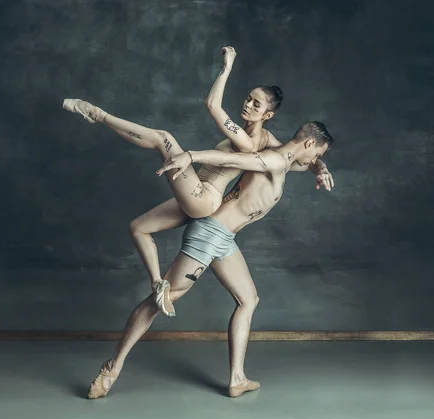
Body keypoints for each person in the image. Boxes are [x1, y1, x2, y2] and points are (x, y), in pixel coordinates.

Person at [86, 120, 334, 400]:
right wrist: (191, 156)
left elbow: (306, 164)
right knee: (160, 300)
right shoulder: (273, 159)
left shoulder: (284, 156)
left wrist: (321, 168)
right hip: (209, 234)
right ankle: (111, 368)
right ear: (310, 143)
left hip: (224, 240)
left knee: (248, 300)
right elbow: (230, 158)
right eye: (317, 154)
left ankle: (237, 379)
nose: (315, 160)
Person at [63, 47, 287, 317]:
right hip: (196, 192)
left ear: (267, 115)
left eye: (256, 104)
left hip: (204, 197)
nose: (248, 105)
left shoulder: (247, 140)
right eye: (249, 99)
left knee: (163, 138)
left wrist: (227, 68)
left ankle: (97, 114)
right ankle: (159, 284)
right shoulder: (268, 140)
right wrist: (319, 166)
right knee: (138, 228)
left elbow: (212, 105)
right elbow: (296, 155)